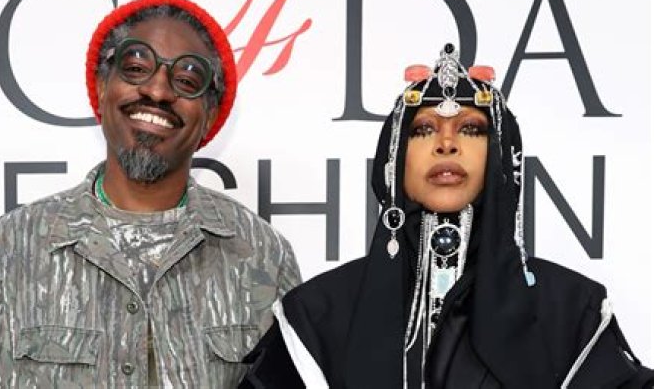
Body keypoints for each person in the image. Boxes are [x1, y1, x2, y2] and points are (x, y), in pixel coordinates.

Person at [239, 44, 654, 388]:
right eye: (423, 129)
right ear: (394, 159)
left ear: (501, 156)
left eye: (471, 128)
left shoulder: (570, 310)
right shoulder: (318, 315)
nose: (447, 144)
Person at [0, 0, 301, 388]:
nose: (158, 91)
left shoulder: (263, 255)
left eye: (186, 81)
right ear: (102, 87)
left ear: (209, 117)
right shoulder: (7, 249)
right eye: (135, 68)